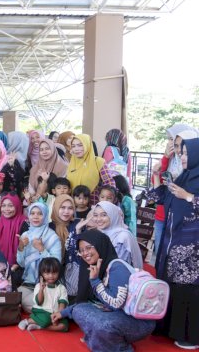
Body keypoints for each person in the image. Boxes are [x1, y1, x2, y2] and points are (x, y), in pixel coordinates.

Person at [54, 230, 155, 352]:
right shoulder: (94, 267)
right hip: (116, 316)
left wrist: (95, 281)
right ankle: (103, 341)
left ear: (100, 245)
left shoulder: (117, 267)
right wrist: (63, 313)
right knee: (78, 310)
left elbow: (116, 303)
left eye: (89, 248)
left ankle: (121, 348)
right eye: (81, 250)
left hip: (138, 322)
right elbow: (91, 301)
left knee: (103, 325)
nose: (85, 253)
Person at [148, 137, 199, 349]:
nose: (183, 157)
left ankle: (190, 335)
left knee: (188, 290)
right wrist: (155, 176)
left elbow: (186, 199)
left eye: (186, 153)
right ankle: (169, 328)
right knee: (173, 286)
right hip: (173, 243)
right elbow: (161, 198)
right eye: (182, 152)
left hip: (192, 248)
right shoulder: (185, 177)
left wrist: (189, 197)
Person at [16, 202, 62, 313]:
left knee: (26, 302)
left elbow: (57, 263)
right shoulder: (25, 235)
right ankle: (49, 310)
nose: (35, 216)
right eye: (32, 213)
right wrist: (21, 248)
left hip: (48, 283)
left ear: (45, 216)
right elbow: (21, 263)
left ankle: (45, 311)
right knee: (17, 298)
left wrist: (42, 249)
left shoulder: (52, 237)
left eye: (40, 214)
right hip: (29, 283)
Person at [18, 257, 68, 332]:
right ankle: (27, 321)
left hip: (55, 313)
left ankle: (39, 326)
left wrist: (58, 315)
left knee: (64, 326)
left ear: (59, 272)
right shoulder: (38, 286)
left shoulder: (61, 288)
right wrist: (41, 289)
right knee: (46, 319)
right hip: (42, 311)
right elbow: (39, 302)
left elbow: (62, 303)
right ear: (42, 274)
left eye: (54, 273)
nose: (51, 276)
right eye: (47, 273)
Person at [92, 201, 143, 269]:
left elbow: (118, 266)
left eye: (104, 215)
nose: (98, 219)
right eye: (95, 215)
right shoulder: (102, 232)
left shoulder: (122, 238)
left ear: (113, 215)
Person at [67, 134, 115, 204]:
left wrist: (106, 202)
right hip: (75, 206)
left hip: (94, 205)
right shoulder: (72, 163)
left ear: (87, 145)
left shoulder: (98, 162)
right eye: (73, 146)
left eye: (80, 145)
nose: (76, 149)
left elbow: (109, 183)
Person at [50, 195, 81, 298]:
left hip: (73, 270)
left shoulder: (77, 224)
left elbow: (79, 249)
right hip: (53, 269)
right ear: (56, 207)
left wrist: (78, 231)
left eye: (70, 208)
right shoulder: (49, 227)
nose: (66, 211)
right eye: (62, 207)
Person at [0, 194, 28, 267]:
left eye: (10, 206)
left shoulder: (25, 223)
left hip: (21, 265)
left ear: (17, 206)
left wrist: (17, 265)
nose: (6, 209)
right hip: (1, 264)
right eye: (3, 206)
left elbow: (28, 248)